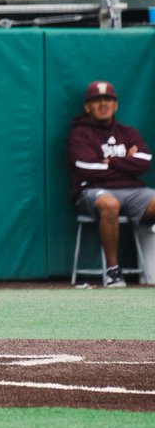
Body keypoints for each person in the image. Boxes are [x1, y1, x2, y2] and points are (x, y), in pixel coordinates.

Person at [67, 80, 155, 288]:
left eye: (108, 99)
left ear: (115, 105)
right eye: (97, 100)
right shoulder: (79, 134)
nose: (103, 104)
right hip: (92, 191)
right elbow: (85, 167)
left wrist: (111, 161)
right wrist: (127, 161)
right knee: (110, 204)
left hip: (133, 191)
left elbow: (145, 161)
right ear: (87, 107)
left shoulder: (128, 132)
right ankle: (113, 271)